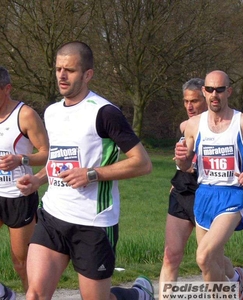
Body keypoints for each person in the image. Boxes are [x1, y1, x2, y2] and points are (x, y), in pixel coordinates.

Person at [15, 41, 153, 300]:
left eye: (70, 70)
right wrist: (37, 180)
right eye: (58, 69)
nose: (62, 76)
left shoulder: (105, 112)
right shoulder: (53, 112)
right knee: (34, 295)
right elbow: (57, 160)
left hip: (93, 222)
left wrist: (93, 174)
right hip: (52, 215)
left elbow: (143, 163)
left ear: (87, 74)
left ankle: (136, 295)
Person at [174, 70, 243, 299]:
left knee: (203, 256)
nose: (214, 94)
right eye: (209, 89)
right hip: (204, 194)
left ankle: (230, 292)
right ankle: (236, 278)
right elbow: (186, 165)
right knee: (212, 262)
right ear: (204, 91)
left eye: (219, 89)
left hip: (231, 196)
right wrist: (181, 159)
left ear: (228, 91)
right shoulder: (193, 125)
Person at [0, 66, 49, 296]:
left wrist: (21, 159)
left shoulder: (25, 114)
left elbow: (48, 153)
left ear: (7, 89)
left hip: (18, 195)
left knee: (21, 262)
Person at [158, 78, 207, 298]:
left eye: (194, 101)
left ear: (207, 98)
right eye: (186, 101)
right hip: (181, 191)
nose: (189, 106)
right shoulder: (184, 127)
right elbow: (182, 160)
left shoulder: (219, 126)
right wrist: (175, 181)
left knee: (207, 258)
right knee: (170, 256)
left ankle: (234, 277)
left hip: (206, 193)